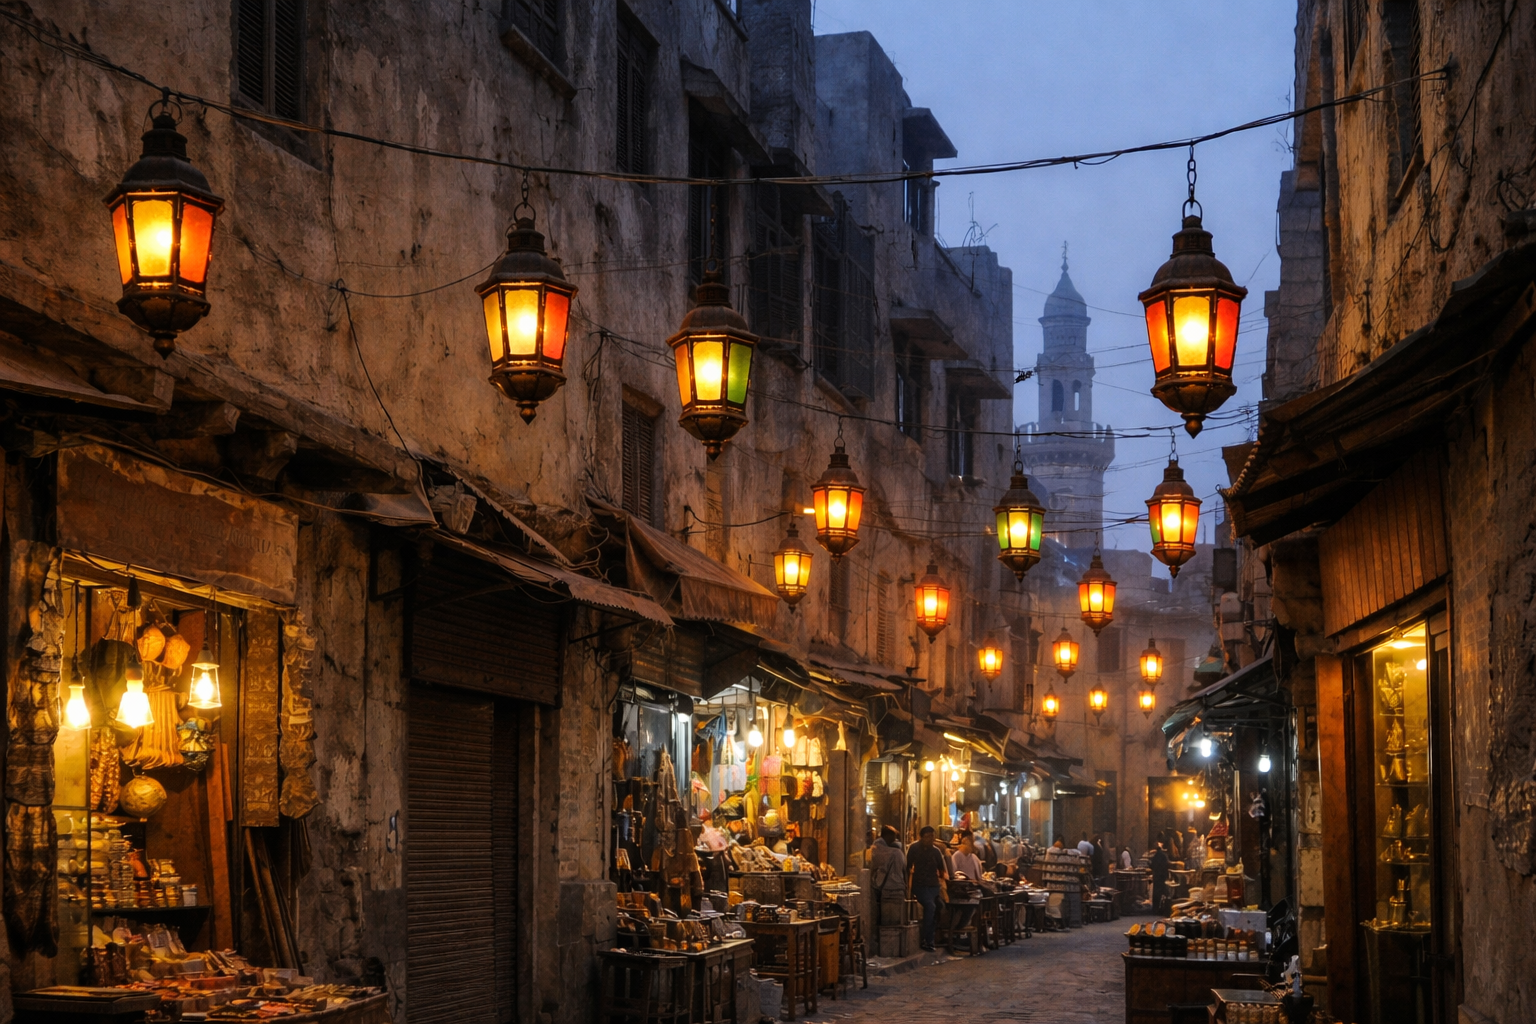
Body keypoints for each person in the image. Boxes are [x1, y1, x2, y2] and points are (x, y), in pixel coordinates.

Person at [906, 826, 949, 952]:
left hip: (933, 887)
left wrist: (941, 884)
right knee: (931, 907)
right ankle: (927, 940)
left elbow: (941, 870)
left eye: (932, 836)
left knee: (940, 907)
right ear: (921, 837)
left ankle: (935, 937)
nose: (930, 839)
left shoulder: (936, 851)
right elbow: (908, 867)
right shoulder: (914, 848)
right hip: (920, 887)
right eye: (928, 837)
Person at [870, 826, 907, 920]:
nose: (894, 839)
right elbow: (903, 869)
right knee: (895, 920)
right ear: (888, 836)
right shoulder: (897, 853)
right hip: (896, 888)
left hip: (880, 889)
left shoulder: (874, 850)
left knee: (884, 918)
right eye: (893, 836)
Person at [1149, 835, 1171, 914]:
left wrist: (1149, 864)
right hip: (1162, 876)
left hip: (1157, 876)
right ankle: (1161, 907)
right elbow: (1167, 865)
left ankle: (1155, 909)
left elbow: (1152, 865)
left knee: (1156, 893)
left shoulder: (1156, 856)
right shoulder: (1163, 855)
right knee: (1162, 892)